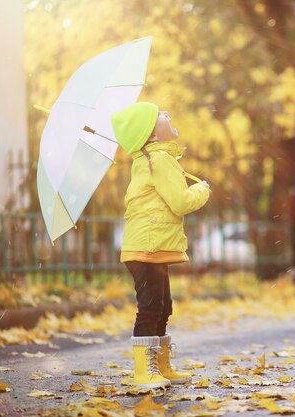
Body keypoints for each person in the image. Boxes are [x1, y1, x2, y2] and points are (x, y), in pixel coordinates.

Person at [111, 102, 211, 388]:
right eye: (160, 115)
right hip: (147, 247)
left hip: (151, 246)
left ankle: (161, 366)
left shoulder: (156, 159)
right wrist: (201, 190)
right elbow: (180, 203)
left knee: (163, 306)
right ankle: (145, 372)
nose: (167, 113)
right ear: (152, 136)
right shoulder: (160, 160)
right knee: (151, 307)